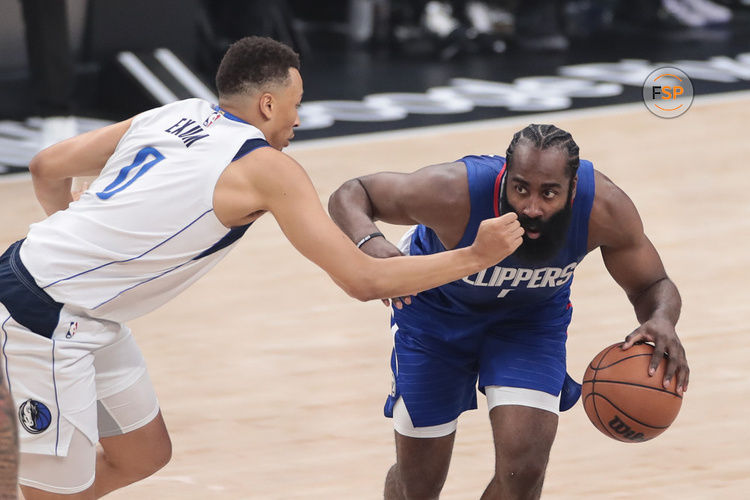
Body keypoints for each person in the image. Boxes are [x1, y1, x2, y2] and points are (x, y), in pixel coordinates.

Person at [0, 36, 524, 499]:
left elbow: (47, 166)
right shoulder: (267, 169)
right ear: (268, 103)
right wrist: (476, 257)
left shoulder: (174, 112)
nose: (298, 120)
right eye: (296, 106)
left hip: (79, 308)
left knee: (142, 454)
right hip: (39, 319)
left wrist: (78, 231)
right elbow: (363, 280)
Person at [328, 123, 690, 500]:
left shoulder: (603, 208)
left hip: (529, 323)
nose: (532, 207)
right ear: (504, 178)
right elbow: (352, 193)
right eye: (520, 189)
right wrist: (372, 243)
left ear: (573, 189)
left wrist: (661, 318)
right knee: (418, 483)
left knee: (524, 471)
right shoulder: (455, 191)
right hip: (433, 316)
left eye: (549, 193)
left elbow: (652, 284)